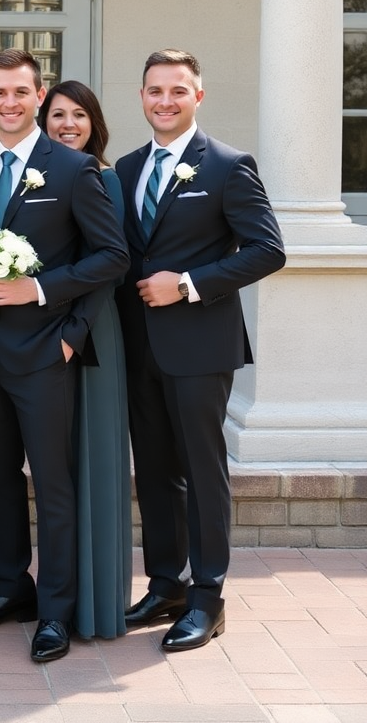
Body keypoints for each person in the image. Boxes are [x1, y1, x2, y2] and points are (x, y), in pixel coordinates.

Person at [0, 51, 129, 663]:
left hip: (44, 349)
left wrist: (43, 297)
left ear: (38, 96)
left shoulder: (73, 168)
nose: (10, 102)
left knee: (51, 483)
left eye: (21, 92)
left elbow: (111, 256)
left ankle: (55, 612)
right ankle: (11, 590)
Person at [115, 49, 285, 652]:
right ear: (142, 96)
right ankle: (167, 585)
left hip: (200, 345)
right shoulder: (127, 168)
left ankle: (208, 596)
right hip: (140, 350)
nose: (165, 101)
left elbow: (267, 250)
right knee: (156, 471)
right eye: (155, 90)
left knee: (203, 471)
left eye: (178, 91)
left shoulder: (228, 165)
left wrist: (186, 284)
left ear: (198, 97)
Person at [38, 79, 132, 640]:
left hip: (93, 335)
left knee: (93, 463)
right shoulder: (43, 175)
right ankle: (59, 593)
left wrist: (74, 331)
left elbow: (110, 265)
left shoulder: (105, 178)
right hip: (49, 337)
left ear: (95, 123)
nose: (67, 124)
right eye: (58, 115)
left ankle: (94, 605)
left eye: (79, 115)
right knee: (58, 468)